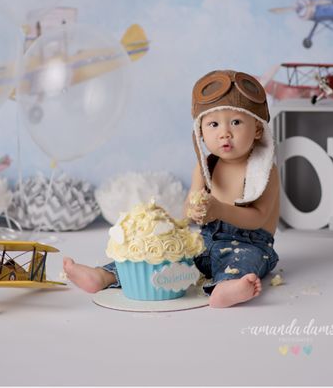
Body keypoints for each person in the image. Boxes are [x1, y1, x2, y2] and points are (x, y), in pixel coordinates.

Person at [64, 69, 280, 308]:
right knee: (165, 257)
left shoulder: (263, 171)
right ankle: (106, 275)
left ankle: (226, 286)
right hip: (206, 241)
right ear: (200, 131)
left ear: (258, 129)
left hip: (248, 243)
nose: (224, 133)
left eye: (236, 122)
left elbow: (259, 218)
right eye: (213, 124)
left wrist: (220, 210)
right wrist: (194, 211)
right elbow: (190, 206)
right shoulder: (205, 166)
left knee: (243, 260)